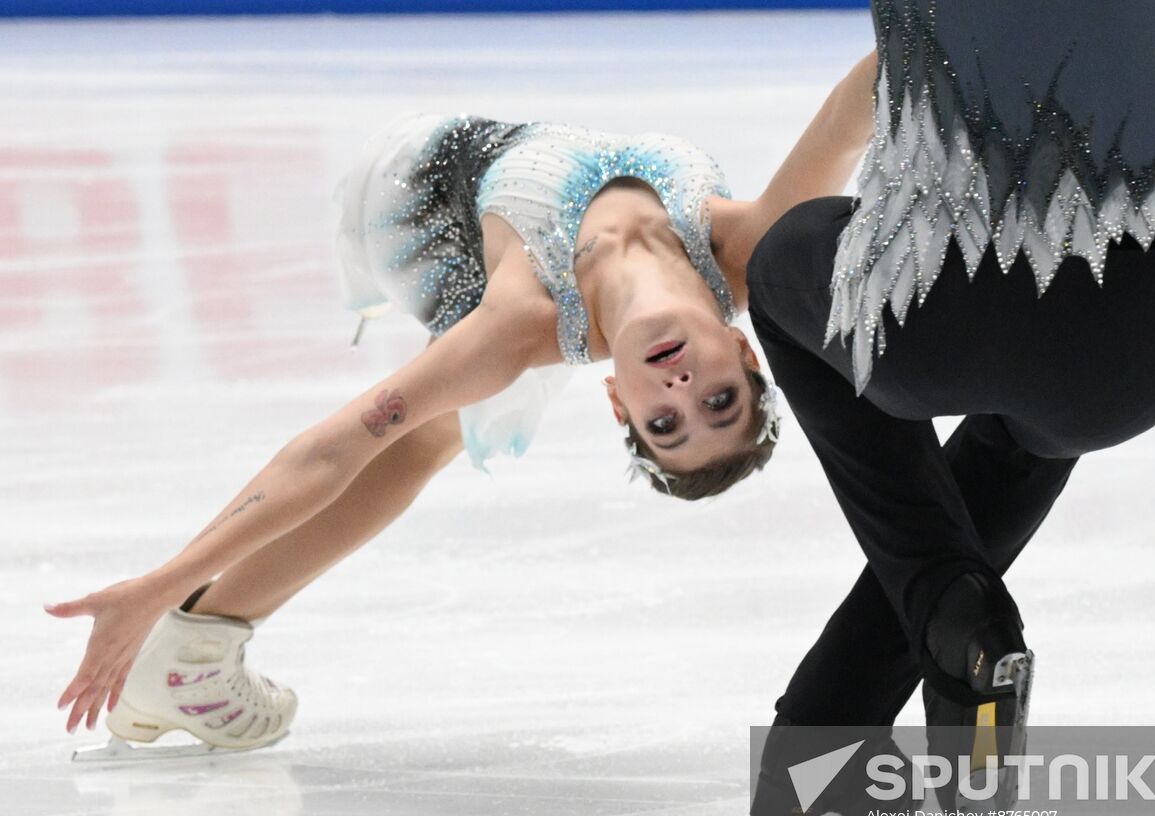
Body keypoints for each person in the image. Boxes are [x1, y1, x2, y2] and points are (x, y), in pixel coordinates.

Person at [47, 52, 882, 758]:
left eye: (666, 425)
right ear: (743, 350)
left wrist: (157, 584)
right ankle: (200, 644)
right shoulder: (748, 251)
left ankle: (195, 640)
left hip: (420, 221)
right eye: (719, 399)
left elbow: (329, 449)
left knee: (429, 428)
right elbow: (856, 108)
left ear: (617, 404)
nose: (680, 393)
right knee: (436, 427)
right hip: (434, 161)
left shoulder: (515, 325)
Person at [735, 0, 1155, 816]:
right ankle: (828, 731)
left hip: (934, 313)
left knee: (783, 261)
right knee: (1030, 415)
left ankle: (947, 620)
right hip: (1142, 352)